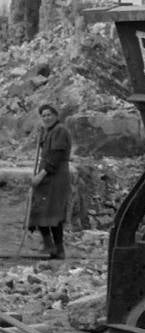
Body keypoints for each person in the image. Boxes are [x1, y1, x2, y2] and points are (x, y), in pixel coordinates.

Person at [28, 102, 72, 261]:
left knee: (52, 213)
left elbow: (56, 156)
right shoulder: (48, 131)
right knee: (40, 211)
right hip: (46, 175)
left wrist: (40, 175)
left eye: (49, 115)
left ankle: (58, 250)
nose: (46, 118)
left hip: (55, 176)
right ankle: (50, 247)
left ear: (56, 115)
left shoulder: (60, 131)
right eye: (43, 115)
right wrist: (41, 137)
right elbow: (45, 151)